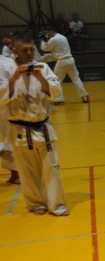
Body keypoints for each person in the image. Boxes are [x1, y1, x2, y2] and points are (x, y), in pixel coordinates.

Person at [0, 34, 69, 216]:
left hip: (43, 127)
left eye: (31, 49)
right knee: (27, 171)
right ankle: (36, 203)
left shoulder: (43, 68)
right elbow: (1, 98)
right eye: (24, 50)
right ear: (15, 50)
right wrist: (15, 78)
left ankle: (57, 205)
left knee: (52, 168)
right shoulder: (6, 69)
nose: (29, 53)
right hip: (19, 128)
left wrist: (40, 77)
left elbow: (56, 92)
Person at [39, 26, 89, 105]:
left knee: (56, 80)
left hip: (62, 61)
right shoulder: (63, 37)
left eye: (47, 32)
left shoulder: (54, 39)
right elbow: (56, 53)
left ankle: (58, 99)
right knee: (76, 79)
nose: (47, 34)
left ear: (51, 31)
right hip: (70, 60)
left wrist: (42, 40)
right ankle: (84, 96)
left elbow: (45, 48)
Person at [0, 53, 19, 184]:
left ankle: (16, 173)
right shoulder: (9, 62)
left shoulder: (7, 62)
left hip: (5, 102)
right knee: (10, 136)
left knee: (10, 137)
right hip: (11, 103)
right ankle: (16, 173)